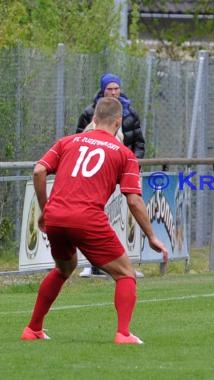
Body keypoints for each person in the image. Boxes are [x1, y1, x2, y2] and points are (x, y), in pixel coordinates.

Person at [21, 97, 168, 344]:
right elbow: (133, 200)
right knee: (125, 273)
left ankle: (33, 328)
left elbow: (38, 170)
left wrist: (46, 209)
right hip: (87, 217)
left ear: (93, 119)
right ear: (119, 122)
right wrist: (152, 236)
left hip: (56, 216)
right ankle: (123, 333)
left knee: (63, 268)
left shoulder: (67, 142)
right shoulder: (124, 154)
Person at [76, 73, 145, 278]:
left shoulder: (130, 113)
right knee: (96, 218)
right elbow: (79, 141)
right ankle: (93, 264)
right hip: (98, 176)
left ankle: (124, 265)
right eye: (109, 89)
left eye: (116, 88)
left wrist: (131, 163)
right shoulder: (90, 113)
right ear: (103, 90)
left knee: (124, 217)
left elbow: (139, 144)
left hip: (123, 173)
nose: (113, 92)